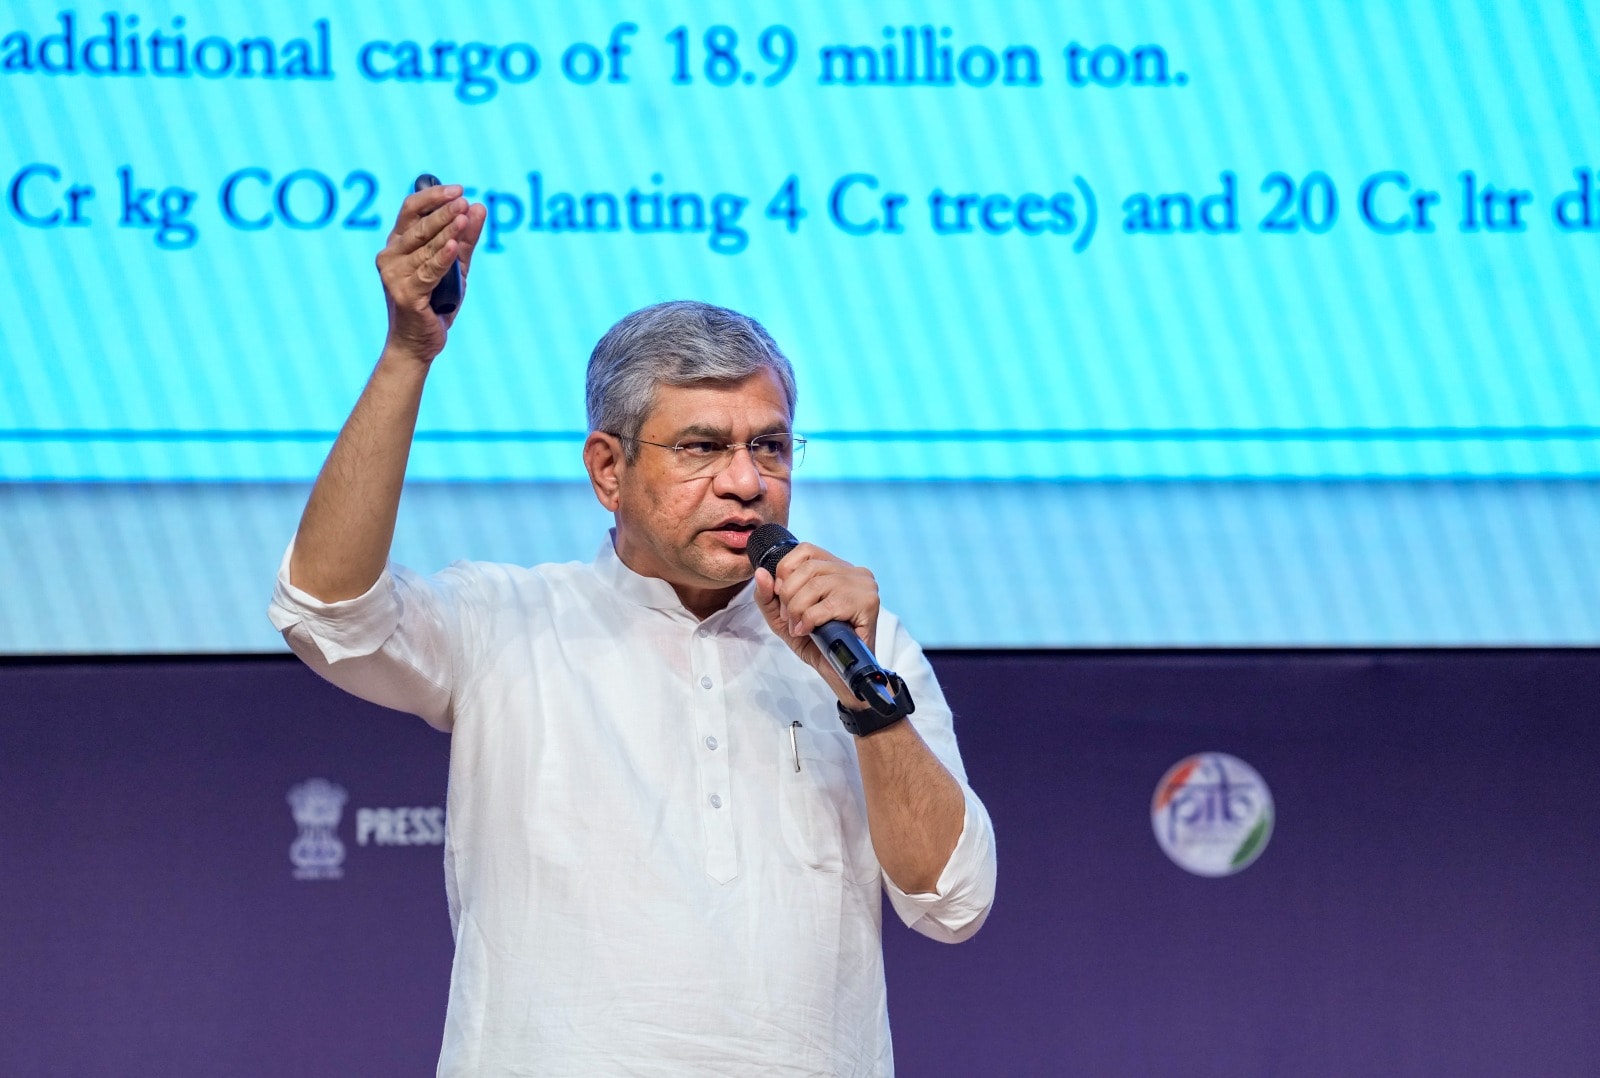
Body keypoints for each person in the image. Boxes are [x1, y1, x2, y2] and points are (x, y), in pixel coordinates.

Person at [269, 183, 997, 1076]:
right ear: (607, 470)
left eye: (769, 447)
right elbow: (326, 612)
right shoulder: (509, 622)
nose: (747, 482)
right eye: (702, 447)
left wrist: (866, 704)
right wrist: (406, 355)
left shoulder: (859, 645)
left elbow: (953, 899)